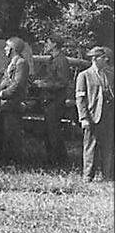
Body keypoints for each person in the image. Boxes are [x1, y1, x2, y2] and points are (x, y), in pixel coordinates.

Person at [75, 46, 114, 182]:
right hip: (92, 116)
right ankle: (88, 176)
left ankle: (108, 175)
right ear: (95, 59)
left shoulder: (110, 74)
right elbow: (80, 98)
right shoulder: (84, 75)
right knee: (90, 146)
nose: (106, 60)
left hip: (108, 116)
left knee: (108, 146)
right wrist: (84, 118)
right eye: (103, 58)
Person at [35, 33, 71, 163]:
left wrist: (43, 84)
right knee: (49, 130)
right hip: (49, 99)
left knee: (53, 130)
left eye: (48, 42)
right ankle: (55, 158)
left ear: (55, 44)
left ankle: (57, 160)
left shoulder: (61, 60)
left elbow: (63, 82)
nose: (46, 45)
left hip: (56, 100)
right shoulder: (51, 59)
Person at [0, 37, 30, 161]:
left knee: (13, 133)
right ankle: (7, 158)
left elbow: (17, 84)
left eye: (7, 47)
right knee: (6, 133)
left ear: (12, 49)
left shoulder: (21, 63)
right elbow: (6, 80)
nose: (5, 49)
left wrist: (3, 93)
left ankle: (15, 160)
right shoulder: (12, 62)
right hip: (7, 103)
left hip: (13, 103)